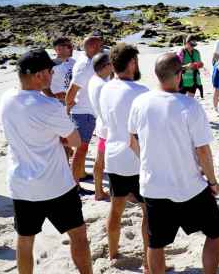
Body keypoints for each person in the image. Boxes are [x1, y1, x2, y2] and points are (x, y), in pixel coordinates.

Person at [129, 53, 219, 274]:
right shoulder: (189, 105)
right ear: (179, 75)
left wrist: (148, 163)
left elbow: (132, 141)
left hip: (153, 185)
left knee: (156, 244)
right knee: (216, 231)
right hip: (189, 185)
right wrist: (212, 181)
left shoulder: (140, 102)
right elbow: (203, 150)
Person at [0, 49, 93, 274]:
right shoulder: (49, 106)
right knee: (78, 235)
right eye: (50, 71)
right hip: (55, 184)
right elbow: (74, 141)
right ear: (40, 75)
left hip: (22, 183)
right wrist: (56, 137)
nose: (53, 75)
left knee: (25, 240)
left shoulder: (7, 98)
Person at [98, 43, 150, 268]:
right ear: (131, 63)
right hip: (138, 159)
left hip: (114, 156)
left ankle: (113, 254)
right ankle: (150, 263)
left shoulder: (106, 88)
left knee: (116, 209)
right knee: (148, 213)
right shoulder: (142, 92)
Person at [66, 33, 103, 195]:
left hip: (89, 111)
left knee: (82, 148)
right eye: (97, 46)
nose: (100, 48)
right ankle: (75, 186)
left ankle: (80, 174)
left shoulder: (88, 60)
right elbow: (71, 91)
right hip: (83, 112)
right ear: (90, 47)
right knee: (80, 149)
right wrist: (67, 110)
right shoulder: (85, 65)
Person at [87, 53, 113, 201]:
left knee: (100, 159)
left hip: (101, 125)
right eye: (110, 64)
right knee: (110, 162)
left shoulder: (94, 80)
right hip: (108, 128)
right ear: (105, 66)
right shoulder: (103, 86)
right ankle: (123, 191)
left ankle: (98, 191)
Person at [45, 37, 75, 101]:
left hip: (71, 101)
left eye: (72, 46)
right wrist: (53, 96)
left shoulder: (74, 62)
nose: (72, 49)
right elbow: (42, 85)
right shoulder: (51, 65)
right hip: (56, 103)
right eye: (69, 46)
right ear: (57, 49)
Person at [177, 35, 204, 99]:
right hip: (183, 81)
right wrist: (186, 66)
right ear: (186, 43)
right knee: (181, 100)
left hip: (194, 81)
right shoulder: (181, 52)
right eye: (191, 45)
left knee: (190, 99)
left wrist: (200, 65)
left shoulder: (196, 52)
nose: (192, 47)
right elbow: (176, 67)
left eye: (194, 45)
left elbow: (200, 64)